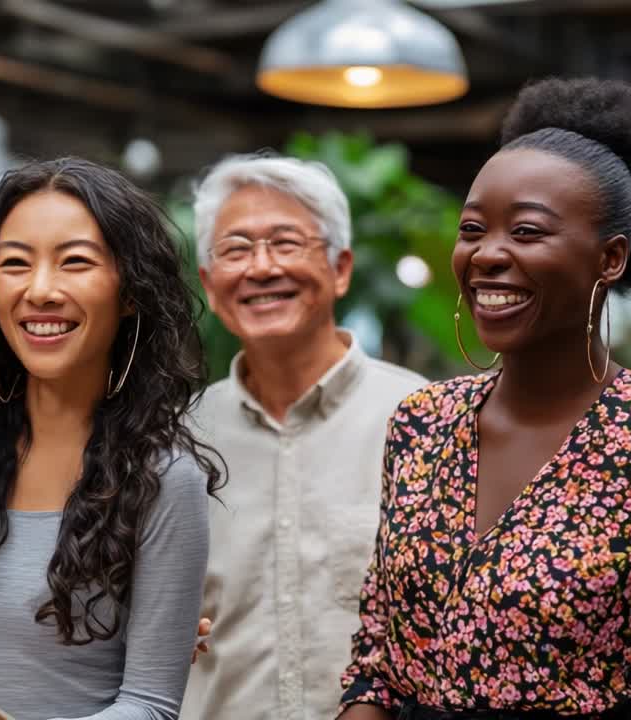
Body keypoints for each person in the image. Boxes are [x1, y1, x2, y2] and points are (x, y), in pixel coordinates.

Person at [339, 77, 631, 720]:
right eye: (474, 228)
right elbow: (379, 657)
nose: (488, 254)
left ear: (611, 258)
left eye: (528, 232)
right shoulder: (423, 423)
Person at [0, 157, 222, 720]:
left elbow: (149, 704)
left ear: (130, 292)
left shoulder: (164, 476)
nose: (40, 290)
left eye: (75, 263)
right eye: (15, 263)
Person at [181, 153, 426, 720]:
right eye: (236, 250)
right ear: (211, 286)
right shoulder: (177, 443)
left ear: (340, 268)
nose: (262, 268)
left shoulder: (421, 421)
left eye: (287, 243)